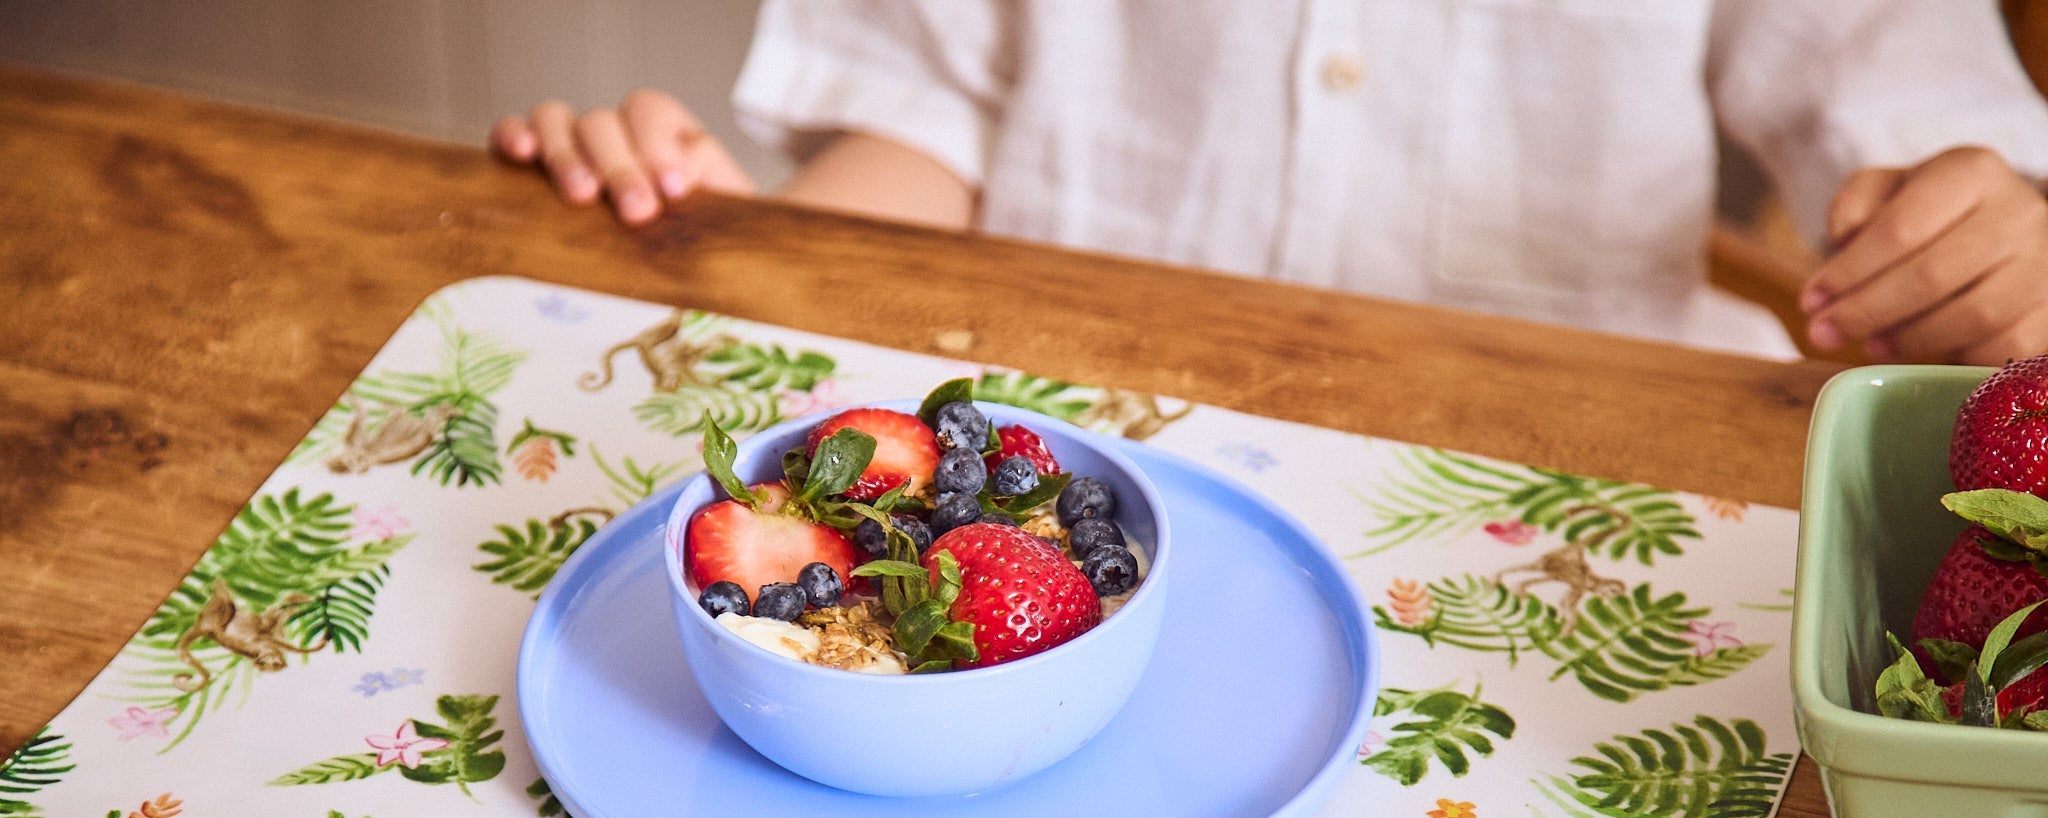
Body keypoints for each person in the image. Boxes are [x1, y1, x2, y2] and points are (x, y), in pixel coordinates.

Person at [492, 0, 2048, 364]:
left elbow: (1922, 154)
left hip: (1548, 498)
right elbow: (928, 136)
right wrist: (713, 236)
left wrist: (1988, 242)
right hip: (1060, 441)